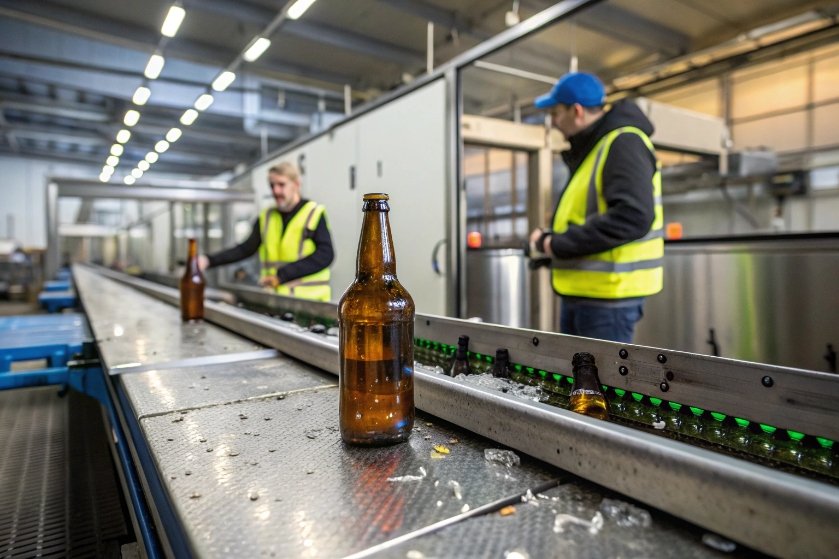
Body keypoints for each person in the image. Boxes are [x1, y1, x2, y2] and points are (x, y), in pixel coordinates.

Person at [528, 72, 663, 343]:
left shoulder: (622, 143)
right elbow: (591, 215)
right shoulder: (596, 148)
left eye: (556, 113)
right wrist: (549, 243)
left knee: (598, 385)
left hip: (608, 302)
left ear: (576, 111)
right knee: (579, 383)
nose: (553, 123)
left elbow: (633, 216)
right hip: (588, 297)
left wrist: (555, 244)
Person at [199, 161, 334, 301]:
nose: (275, 191)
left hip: (310, 304)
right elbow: (244, 249)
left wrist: (282, 275)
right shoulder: (266, 217)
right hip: (277, 301)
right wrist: (208, 260)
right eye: (272, 185)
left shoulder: (313, 213)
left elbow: (326, 255)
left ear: (296, 184)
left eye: (281, 185)